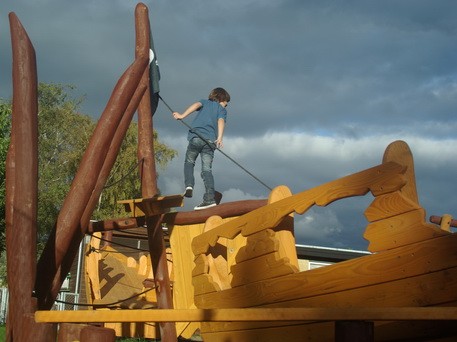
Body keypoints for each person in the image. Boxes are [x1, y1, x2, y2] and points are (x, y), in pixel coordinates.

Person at [173, 87, 230, 210]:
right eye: (226, 103)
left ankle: (189, 185)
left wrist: (182, 115)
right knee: (207, 170)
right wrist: (220, 137)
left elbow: (195, 106)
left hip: (196, 137)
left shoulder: (204, 102)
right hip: (210, 142)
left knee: (189, 162)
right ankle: (210, 199)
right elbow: (221, 121)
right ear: (222, 99)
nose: (226, 106)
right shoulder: (221, 110)